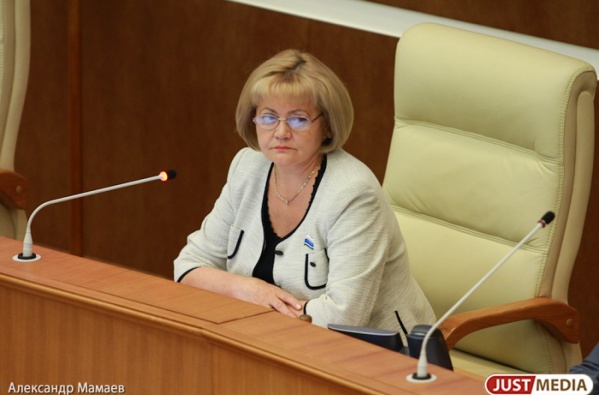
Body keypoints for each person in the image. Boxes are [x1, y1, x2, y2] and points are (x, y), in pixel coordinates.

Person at [174, 49, 435, 335]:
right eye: (268, 117)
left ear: (327, 126)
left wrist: (255, 312)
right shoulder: (247, 167)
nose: (281, 132)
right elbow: (188, 267)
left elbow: (344, 317)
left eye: (298, 119)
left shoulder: (353, 193)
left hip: (377, 352)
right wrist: (249, 291)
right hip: (272, 341)